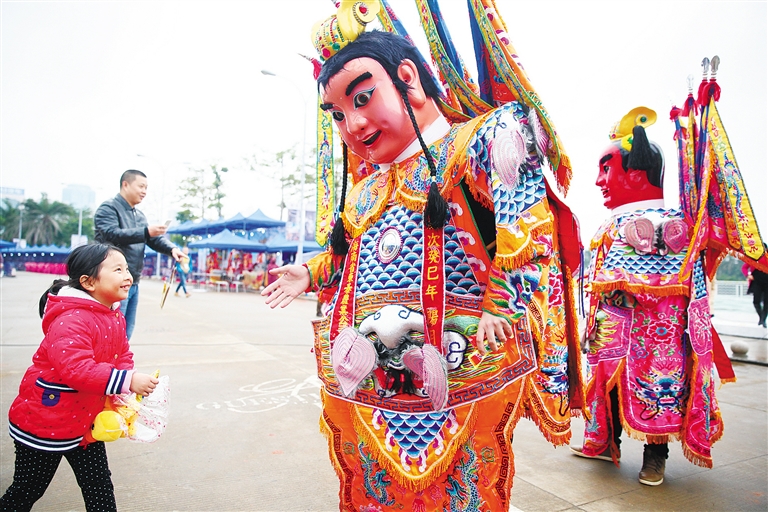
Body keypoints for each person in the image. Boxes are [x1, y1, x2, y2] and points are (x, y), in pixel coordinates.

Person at [262, 3, 583, 509]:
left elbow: (528, 233)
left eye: (363, 98)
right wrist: (310, 270)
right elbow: (350, 264)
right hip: (371, 376)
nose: (353, 123)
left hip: (456, 365)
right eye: (339, 114)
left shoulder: (483, 140)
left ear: (407, 76)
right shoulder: (364, 191)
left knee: (460, 489)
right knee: (376, 489)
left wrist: (499, 304)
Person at [570, 107, 729, 485]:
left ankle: (654, 457)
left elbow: (669, 281)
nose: (598, 181)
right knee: (605, 390)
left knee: (659, 392)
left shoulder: (670, 224)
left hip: (659, 340)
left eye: (606, 169)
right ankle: (603, 441)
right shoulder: (615, 223)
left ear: (637, 174)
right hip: (611, 332)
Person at [0, 243, 159, 511]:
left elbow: (122, 354)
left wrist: (124, 388)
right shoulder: (71, 318)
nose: (128, 275)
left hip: (86, 422)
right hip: (45, 423)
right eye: (118, 269)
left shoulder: (113, 315)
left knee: (99, 488)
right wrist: (126, 380)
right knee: (27, 490)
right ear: (88, 282)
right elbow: (77, 369)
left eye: (127, 268)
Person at [94, 169, 183, 339]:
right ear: (125, 184)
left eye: (146, 188)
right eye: (141, 186)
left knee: (126, 331)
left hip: (133, 281)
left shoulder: (140, 216)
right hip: (112, 281)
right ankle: (107, 365)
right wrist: (146, 232)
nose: (144, 192)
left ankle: (120, 364)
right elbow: (111, 234)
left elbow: (153, 239)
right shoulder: (108, 208)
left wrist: (172, 249)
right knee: (111, 331)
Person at [743, 262, 768, 326]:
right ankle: (761, 317)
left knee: (766, 303)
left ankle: (763, 320)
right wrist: (748, 275)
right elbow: (744, 268)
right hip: (756, 282)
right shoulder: (754, 257)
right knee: (756, 301)